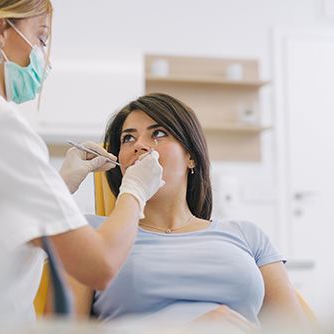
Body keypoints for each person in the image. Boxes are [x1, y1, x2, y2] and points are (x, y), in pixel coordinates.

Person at [0, 0, 165, 326]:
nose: (46, 58)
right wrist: (136, 189)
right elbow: (100, 265)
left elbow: (3, 225)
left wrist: (61, 183)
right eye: (41, 38)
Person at [67, 93, 311, 333]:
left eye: (158, 134)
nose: (139, 145)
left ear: (191, 157)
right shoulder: (88, 232)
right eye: (128, 138)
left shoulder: (247, 236)